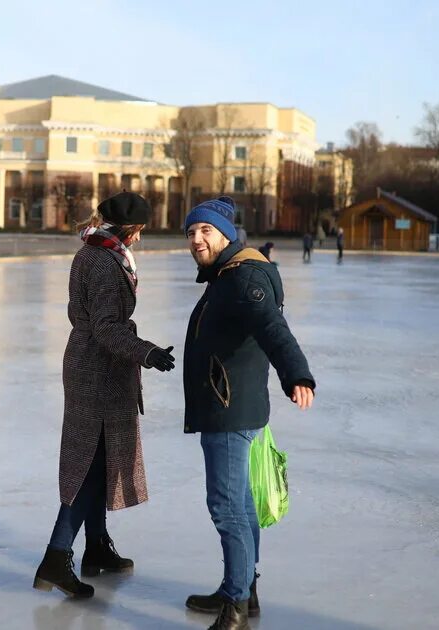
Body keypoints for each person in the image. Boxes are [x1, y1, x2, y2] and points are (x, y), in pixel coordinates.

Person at [33, 191, 176, 599]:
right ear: (133, 228)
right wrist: (146, 352)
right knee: (90, 467)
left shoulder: (96, 250)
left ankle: (96, 546)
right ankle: (57, 557)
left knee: (99, 458)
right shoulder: (103, 260)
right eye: (141, 230)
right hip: (97, 369)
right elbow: (106, 327)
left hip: (94, 365)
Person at [181, 196, 316, 630]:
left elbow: (273, 329)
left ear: (225, 234)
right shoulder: (227, 275)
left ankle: (236, 605)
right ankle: (241, 589)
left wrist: (297, 373)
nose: (197, 239)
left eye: (205, 231)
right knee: (239, 503)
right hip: (234, 405)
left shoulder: (242, 278)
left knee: (227, 507)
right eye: (191, 232)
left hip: (229, 411)